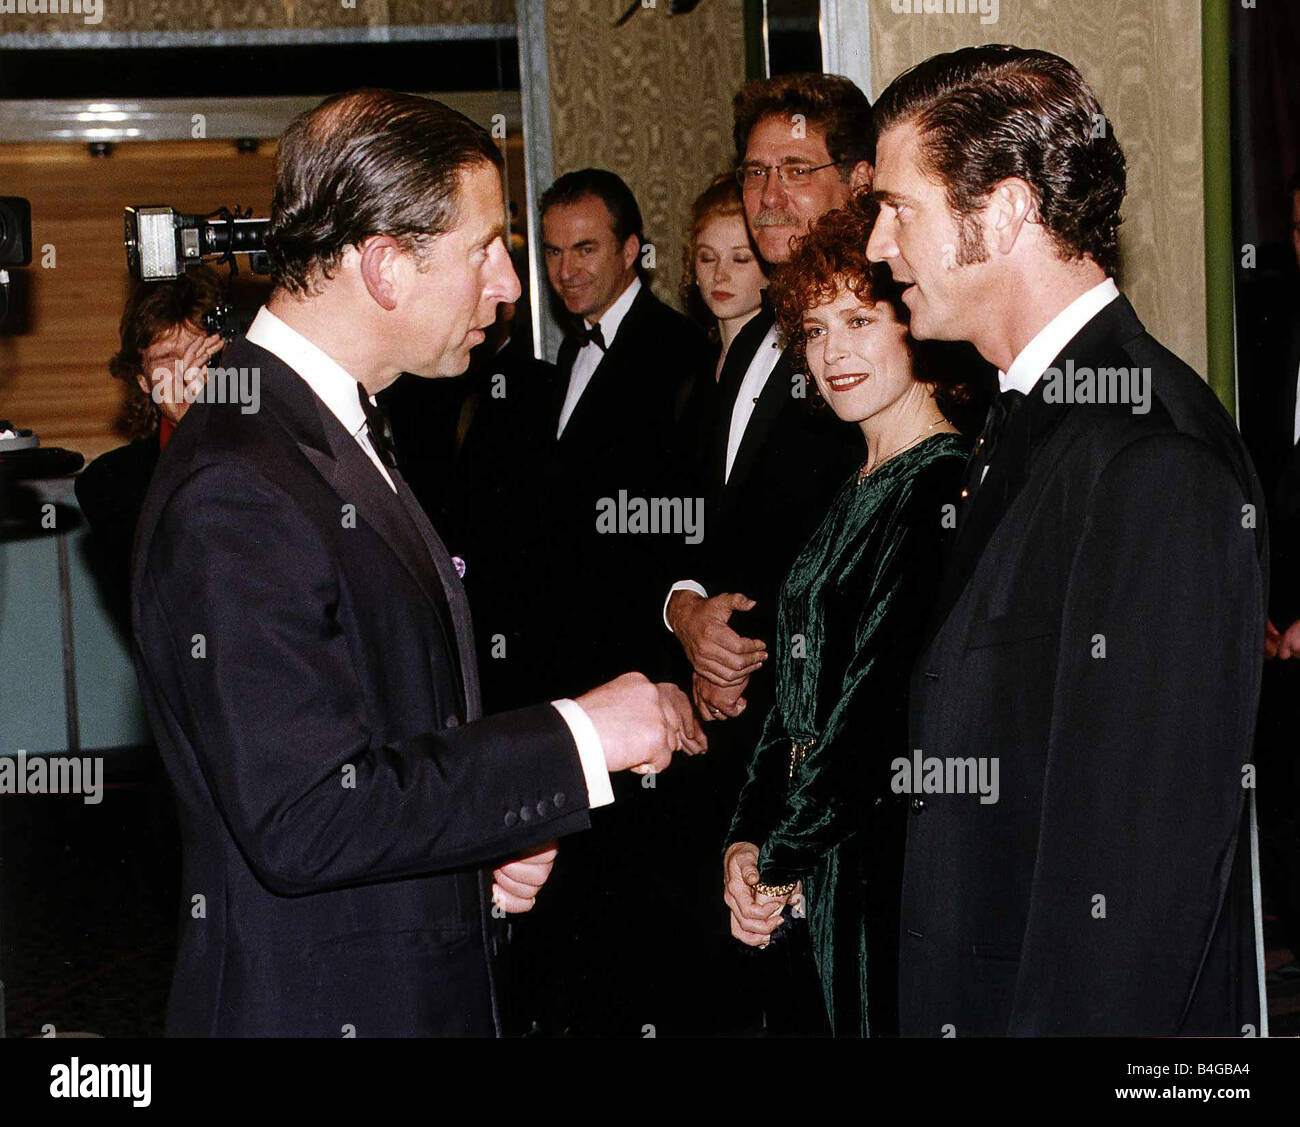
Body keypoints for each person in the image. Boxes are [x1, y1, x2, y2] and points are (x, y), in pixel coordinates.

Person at [129, 89, 702, 1037]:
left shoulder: (327, 429)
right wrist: (575, 738)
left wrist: (479, 850)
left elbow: (373, 741)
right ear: (386, 266)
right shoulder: (239, 479)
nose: (512, 283)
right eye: (484, 248)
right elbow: (306, 813)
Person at [867, 45, 1268, 1035]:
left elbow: (1136, 888)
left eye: (897, 207)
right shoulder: (1028, 418)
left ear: (1001, 213)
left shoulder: (1150, 458)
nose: (878, 245)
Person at [723, 199, 969, 1037]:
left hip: (879, 860)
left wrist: (780, 858)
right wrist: (745, 844)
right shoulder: (851, 484)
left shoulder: (939, 483)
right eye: (816, 329)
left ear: (915, 329)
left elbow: (876, 708)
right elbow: (791, 694)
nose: (833, 353)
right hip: (811, 848)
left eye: (860, 320)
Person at [666, 72, 875, 1034]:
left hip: (834, 748)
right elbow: (696, 526)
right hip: (736, 745)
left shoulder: (885, 332)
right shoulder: (746, 340)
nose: (771, 196)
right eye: (755, 172)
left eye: (799, 168)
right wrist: (688, 611)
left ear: (860, 180)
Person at [75, 268, 224, 635]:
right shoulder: (109, 484)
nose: (186, 372)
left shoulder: (275, 453)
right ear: (142, 380)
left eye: (198, 352)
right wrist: (196, 433)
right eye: (166, 360)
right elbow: (172, 588)